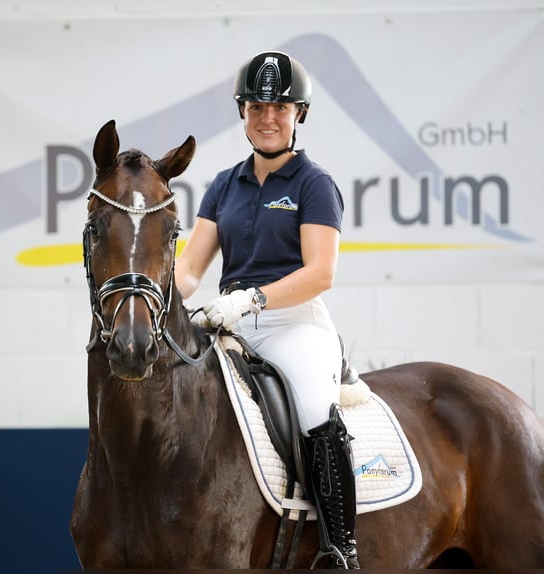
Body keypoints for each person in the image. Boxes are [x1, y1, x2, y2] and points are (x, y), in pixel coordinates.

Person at [174, 51, 359, 569]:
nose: (268, 118)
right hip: (229, 323)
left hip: (291, 321)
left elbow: (320, 273)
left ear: (300, 113)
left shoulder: (313, 184)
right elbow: (190, 271)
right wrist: (158, 292)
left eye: (280, 108)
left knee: (315, 412)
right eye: (257, 107)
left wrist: (252, 298)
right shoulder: (223, 185)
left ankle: (340, 549)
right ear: (243, 113)